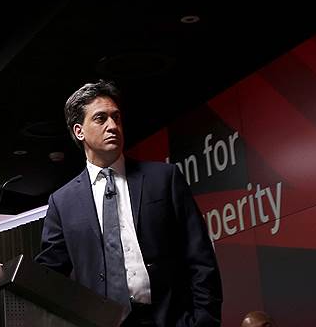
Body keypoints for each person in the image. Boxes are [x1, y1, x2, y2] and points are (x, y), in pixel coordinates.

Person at [35, 80, 222, 326]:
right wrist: (0, 273)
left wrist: (204, 321)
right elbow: (49, 273)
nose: (113, 126)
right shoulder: (62, 202)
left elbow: (199, 254)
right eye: (101, 119)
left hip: (170, 319)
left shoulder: (163, 179)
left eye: (116, 117)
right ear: (79, 131)